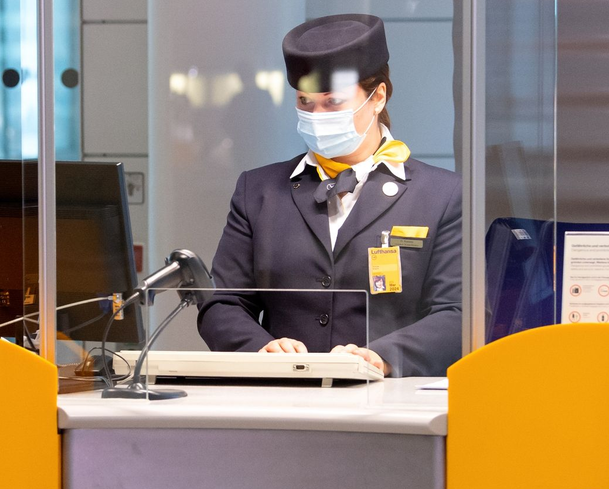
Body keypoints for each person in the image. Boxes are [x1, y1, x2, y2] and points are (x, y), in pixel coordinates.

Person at [197, 14, 462, 377]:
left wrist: (383, 357)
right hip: (282, 398)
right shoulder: (257, 191)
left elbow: (457, 312)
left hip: (391, 402)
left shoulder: (441, 195)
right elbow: (223, 304)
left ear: (378, 96)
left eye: (333, 102)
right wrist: (261, 347)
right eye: (306, 103)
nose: (317, 116)